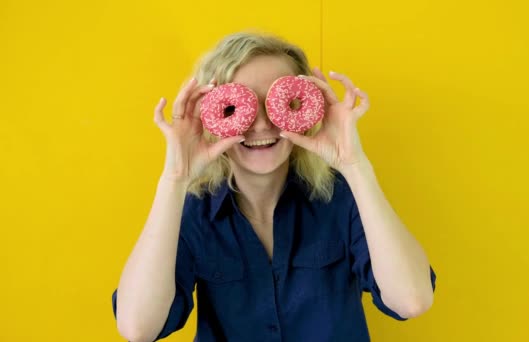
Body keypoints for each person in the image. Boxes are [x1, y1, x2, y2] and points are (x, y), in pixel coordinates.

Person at [111, 32, 437, 342]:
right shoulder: (192, 211)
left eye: (278, 104)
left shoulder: (342, 198)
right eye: (239, 107)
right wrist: (175, 178)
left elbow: (411, 300)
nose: (263, 123)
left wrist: (355, 166)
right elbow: (138, 328)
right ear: (210, 116)